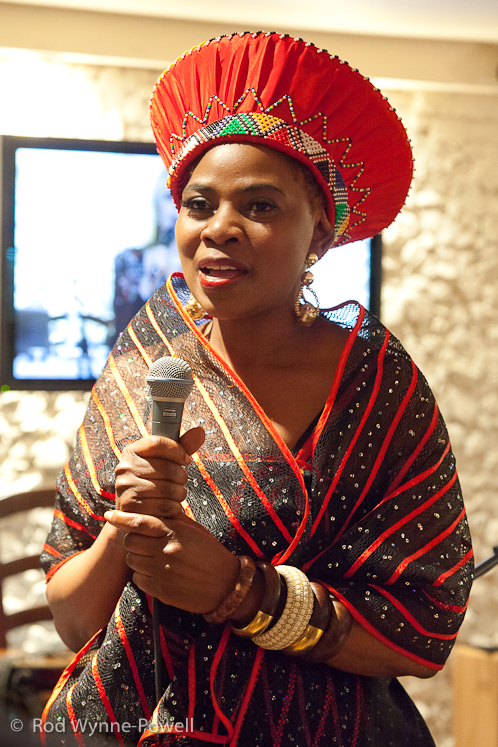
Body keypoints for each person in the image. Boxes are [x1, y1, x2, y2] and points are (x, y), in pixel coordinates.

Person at [40, 32, 473, 746]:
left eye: (261, 207)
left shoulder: (377, 385)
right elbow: (73, 618)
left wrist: (240, 592)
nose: (220, 230)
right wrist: (125, 522)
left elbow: (422, 630)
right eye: (199, 204)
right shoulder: (146, 360)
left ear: (320, 238)